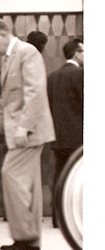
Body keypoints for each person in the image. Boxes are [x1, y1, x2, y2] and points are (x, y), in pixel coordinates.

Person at [0, 18, 56, 250]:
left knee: (11, 175)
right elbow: (8, 98)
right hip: (22, 129)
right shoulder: (7, 58)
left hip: (28, 131)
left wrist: (24, 126)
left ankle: (22, 238)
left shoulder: (27, 52)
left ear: (3, 34)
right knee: (28, 185)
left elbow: (35, 92)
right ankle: (32, 240)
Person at [46, 36, 83, 227]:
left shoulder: (52, 77)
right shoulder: (81, 75)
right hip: (78, 137)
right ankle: (75, 218)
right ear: (77, 54)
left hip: (57, 136)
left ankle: (57, 218)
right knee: (79, 178)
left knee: (59, 175)